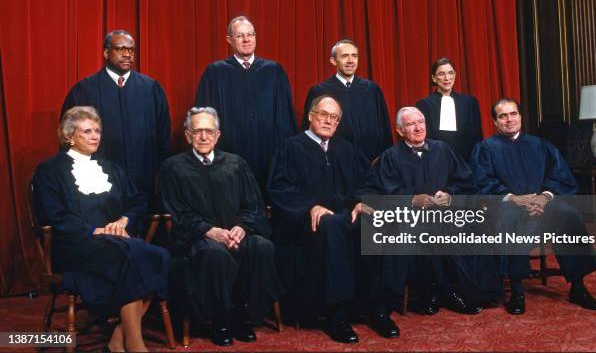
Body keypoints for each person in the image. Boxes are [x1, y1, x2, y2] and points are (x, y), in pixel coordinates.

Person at [33, 106, 169, 352]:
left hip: (116, 242)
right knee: (132, 255)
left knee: (158, 255)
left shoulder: (111, 169)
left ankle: (119, 337)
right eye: (87, 131)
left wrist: (124, 221)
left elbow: (138, 199)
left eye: (97, 130)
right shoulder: (49, 171)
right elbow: (54, 215)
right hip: (75, 246)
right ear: (69, 136)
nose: (95, 136)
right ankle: (136, 345)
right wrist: (94, 231)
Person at [268, 95, 399, 343]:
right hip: (306, 225)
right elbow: (279, 188)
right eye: (323, 114)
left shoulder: (347, 149)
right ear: (310, 116)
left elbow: (368, 183)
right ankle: (336, 313)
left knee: (376, 222)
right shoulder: (290, 147)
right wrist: (310, 207)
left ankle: (377, 308)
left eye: (334, 117)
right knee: (333, 224)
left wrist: (361, 202)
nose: (328, 121)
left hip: (345, 215)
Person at [159, 107, 284, 347]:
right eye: (197, 131)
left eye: (209, 131)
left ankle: (244, 317)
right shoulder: (173, 168)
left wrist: (242, 228)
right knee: (214, 254)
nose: (203, 137)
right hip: (198, 237)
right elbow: (177, 212)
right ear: (187, 136)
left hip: (237, 234)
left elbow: (253, 205)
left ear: (218, 135)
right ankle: (221, 319)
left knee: (261, 247)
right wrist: (209, 231)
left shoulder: (236, 164)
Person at [470, 98, 596, 315]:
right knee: (511, 219)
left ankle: (578, 286)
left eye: (513, 114)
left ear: (520, 117)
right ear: (494, 121)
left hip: (543, 204)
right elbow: (482, 182)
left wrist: (543, 197)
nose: (509, 119)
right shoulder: (485, 149)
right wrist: (513, 198)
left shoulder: (541, 145)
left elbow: (560, 176)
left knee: (567, 214)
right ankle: (517, 290)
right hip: (508, 205)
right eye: (503, 116)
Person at [373, 107, 501, 315]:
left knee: (470, 226)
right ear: (399, 130)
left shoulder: (443, 149)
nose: (418, 128)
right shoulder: (391, 157)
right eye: (410, 124)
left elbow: (466, 181)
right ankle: (434, 293)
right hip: (411, 217)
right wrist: (413, 200)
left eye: (421, 122)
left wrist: (449, 196)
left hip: (446, 212)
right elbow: (386, 194)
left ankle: (472, 292)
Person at [62, 30, 171, 217]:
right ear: (106, 53)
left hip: (144, 181)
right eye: (120, 49)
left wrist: (160, 174)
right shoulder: (84, 90)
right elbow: (67, 140)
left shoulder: (151, 89)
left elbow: (163, 137)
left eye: (131, 50)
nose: (127, 54)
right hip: (97, 184)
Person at [195, 16, 297, 190]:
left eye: (250, 34)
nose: (246, 39)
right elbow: (204, 120)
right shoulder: (215, 73)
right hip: (229, 154)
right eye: (240, 35)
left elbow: (285, 119)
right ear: (229, 40)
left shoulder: (274, 71)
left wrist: (284, 155)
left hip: (269, 155)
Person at [301, 39, 392, 162]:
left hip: (371, 163)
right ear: (333, 61)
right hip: (334, 162)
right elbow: (309, 131)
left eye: (354, 56)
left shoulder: (372, 89)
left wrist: (384, 159)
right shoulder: (319, 91)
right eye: (344, 56)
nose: (350, 60)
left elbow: (384, 127)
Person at [416, 57, 483, 161]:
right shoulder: (424, 104)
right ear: (434, 78)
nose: (447, 78)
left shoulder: (470, 102)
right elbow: (424, 138)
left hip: (466, 161)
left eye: (450, 73)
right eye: (441, 74)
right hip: (437, 160)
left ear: (455, 75)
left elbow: (476, 136)